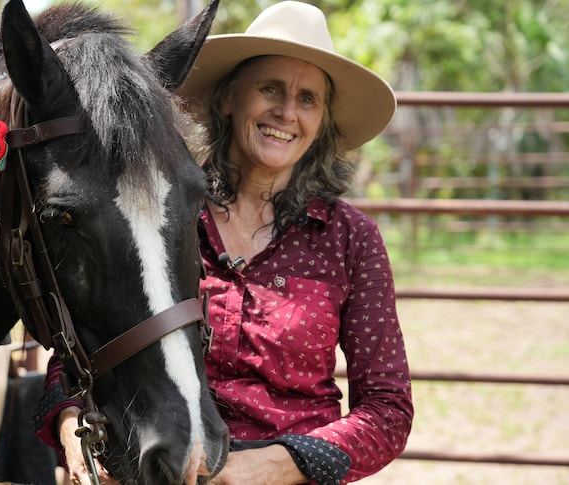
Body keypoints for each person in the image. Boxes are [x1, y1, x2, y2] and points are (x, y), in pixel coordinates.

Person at [31, 2, 414, 484]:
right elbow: (80, 350)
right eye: (271, 88)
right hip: (155, 469)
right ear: (230, 99)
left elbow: (389, 410)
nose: (286, 111)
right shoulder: (160, 214)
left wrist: (276, 464)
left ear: (321, 122)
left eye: (308, 99)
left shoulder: (349, 239)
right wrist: (73, 429)